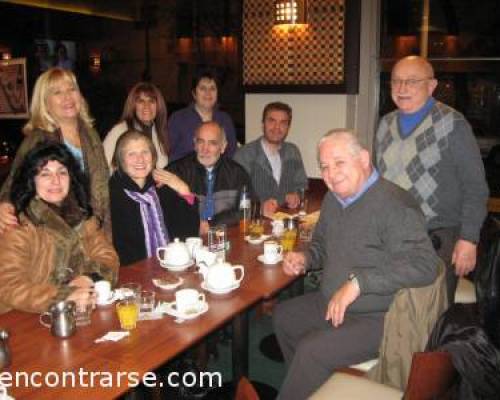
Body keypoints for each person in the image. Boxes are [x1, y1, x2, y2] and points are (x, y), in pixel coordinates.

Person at [273, 129, 438, 399]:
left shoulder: (394, 204)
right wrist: (304, 257)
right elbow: (320, 247)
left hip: (379, 317)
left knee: (311, 350)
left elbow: (424, 265)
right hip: (332, 302)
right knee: (284, 317)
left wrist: (359, 283)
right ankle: (312, 389)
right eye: (324, 167)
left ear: (363, 159)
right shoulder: (333, 199)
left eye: (339, 163)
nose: (330, 174)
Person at [374, 55, 489, 303]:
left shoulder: (453, 124)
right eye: (396, 81)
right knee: (391, 308)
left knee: (430, 313)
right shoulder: (385, 124)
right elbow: (378, 182)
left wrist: (469, 239)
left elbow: (476, 188)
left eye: (412, 81)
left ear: (432, 85)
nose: (402, 88)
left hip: (438, 238)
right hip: (392, 236)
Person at [0, 142, 118, 314]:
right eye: (45, 174)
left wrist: (88, 278)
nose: (55, 181)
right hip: (24, 317)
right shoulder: (19, 224)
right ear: (31, 181)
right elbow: (8, 285)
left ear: (71, 178)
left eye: (62, 172)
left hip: (77, 311)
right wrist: (62, 296)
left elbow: (108, 257)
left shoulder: (82, 216)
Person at [0, 67, 110, 236]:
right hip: (55, 233)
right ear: (45, 103)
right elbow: (13, 184)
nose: (67, 97)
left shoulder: (90, 134)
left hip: (97, 229)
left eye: (71, 89)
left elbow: (101, 185)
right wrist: (5, 205)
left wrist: (98, 222)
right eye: (57, 92)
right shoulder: (37, 140)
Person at [110, 130, 199, 266]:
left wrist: (184, 189)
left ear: (153, 156)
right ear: (121, 161)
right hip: (130, 276)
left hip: (171, 268)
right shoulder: (111, 195)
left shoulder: (162, 187)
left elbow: (189, 232)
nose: (140, 159)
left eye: (145, 152)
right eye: (132, 154)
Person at [157, 121, 252, 236]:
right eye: (200, 142)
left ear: (223, 147)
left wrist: (212, 224)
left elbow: (246, 211)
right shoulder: (175, 172)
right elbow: (164, 214)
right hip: (188, 241)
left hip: (226, 238)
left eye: (212, 143)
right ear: (194, 144)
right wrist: (195, 223)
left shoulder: (237, 173)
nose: (205, 149)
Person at [234, 101, 307, 218]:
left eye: (283, 123)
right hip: (255, 223)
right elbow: (236, 196)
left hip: (287, 219)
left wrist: (296, 195)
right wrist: (259, 208)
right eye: (272, 121)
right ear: (263, 124)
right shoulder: (244, 155)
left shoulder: (293, 151)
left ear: (288, 127)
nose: (277, 127)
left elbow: (302, 184)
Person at [167, 70, 237, 162]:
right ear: (194, 93)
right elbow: (168, 153)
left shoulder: (225, 119)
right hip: (183, 174)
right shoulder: (178, 118)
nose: (208, 93)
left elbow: (232, 153)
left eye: (212, 88)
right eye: (203, 88)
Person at [104, 82, 169, 170]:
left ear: (158, 106)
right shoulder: (120, 130)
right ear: (133, 106)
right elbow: (102, 166)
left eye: (151, 101)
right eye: (141, 101)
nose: (147, 106)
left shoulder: (158, 132)